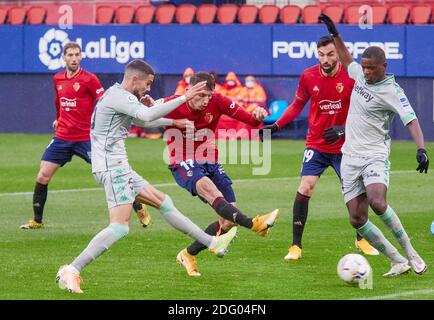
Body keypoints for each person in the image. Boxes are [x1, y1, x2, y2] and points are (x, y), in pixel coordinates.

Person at [55, 61, 238, 293]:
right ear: (135, 79)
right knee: (119, 227)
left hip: (119, 167)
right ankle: (72, 269)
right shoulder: (119, 96)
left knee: (163, 201)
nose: (148, 89)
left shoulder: (117, 95)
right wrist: (184, 97)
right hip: (112, 169)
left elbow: (143, 119)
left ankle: (212, 242)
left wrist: (174, 121)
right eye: (148, 83)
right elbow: (146, 114)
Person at [319, 14, 429, 276]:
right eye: (365, 67)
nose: (366, 72)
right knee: (356, 218)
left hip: (374, 154)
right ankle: (397, 260)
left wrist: (421, 148)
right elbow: (346, 59)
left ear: (384, 66)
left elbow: (411, 120)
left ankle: (411, 252)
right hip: (350, 156)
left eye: (371, 68)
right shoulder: (358, 76)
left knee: (378, 202)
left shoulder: (394, 91)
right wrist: (335, 33)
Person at [259, 36, 378, 260]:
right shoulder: (308, 76)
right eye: (322, 55)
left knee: (355, 192)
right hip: (317, 143)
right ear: (317, 55)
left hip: (346, 145)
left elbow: (365, 111)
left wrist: (343, 129)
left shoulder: (351, 77)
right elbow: (296, 105)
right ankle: (296, 246)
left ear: (338, 55)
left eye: (331, 54)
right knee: (306, 187)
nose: (326, 59)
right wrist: (275, 126)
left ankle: (361, 238)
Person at [157, 72, 279, 276]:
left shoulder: (218, 101)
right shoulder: (173, 103)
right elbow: (145, 114)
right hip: (182, 160)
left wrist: (258, 114)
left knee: (228, 221)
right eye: (201, 95)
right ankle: (254, 224)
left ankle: (188, 254)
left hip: (210, 160)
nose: (205, 101)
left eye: (209, 96)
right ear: (190, 90)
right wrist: (161, 113)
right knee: (212, 193)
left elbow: (250, 120)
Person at [20, 42, 105, 229]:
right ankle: (37, 221)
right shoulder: (58, 78)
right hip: (63, 136)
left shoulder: (90, 79)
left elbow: (103, 102)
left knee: (107, 174)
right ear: (64, 58)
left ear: (81, 57)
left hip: (85, 138)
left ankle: (138, 206)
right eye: (70, 55)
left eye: (77, 55)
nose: (74, 58)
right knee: (42, 176)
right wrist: (58, 119)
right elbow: (59, 102)